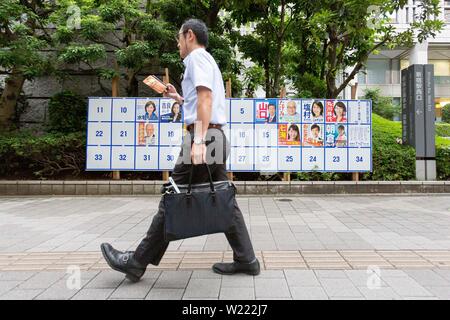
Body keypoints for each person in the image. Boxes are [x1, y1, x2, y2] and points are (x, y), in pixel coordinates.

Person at [100, 18, 259, 282]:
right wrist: (179, 98)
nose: (177, 45)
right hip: (215, 135)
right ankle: (247, 259)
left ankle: (136, 261)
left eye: (178, 39)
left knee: (173, 195)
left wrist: (197, 142)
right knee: (222, 197)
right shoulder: (206, 61)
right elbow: (202, 99)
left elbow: (206, 99)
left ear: (189, 36)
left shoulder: (196, 59)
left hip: (205, 138)